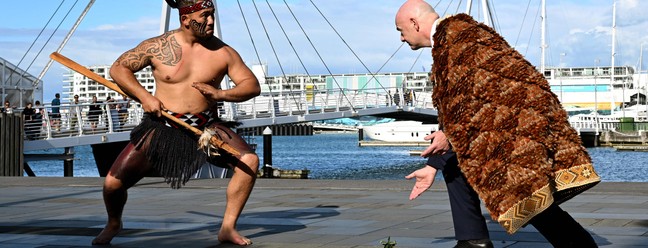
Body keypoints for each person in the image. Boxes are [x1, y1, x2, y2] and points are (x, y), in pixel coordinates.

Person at [396, 1, 600, 247]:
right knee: (459, 165)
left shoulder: (459, 37)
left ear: (414, 23)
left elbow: (470, 98)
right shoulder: (455, 37)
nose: (401, 38)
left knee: (529, 199)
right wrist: (433, 165)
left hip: (516, 130)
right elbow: (461, 99)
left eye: (400, 30)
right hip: (508, 126)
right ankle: (472, 241)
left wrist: (448, 134)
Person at [91, 0, 261, 246]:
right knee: (112, 184)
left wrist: (220, 94)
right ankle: (114, 223)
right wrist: (145, 97)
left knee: (249, 161)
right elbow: (119, 69)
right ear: (185, 18)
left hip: (206, 127)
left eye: (212, 15)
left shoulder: (224, 52)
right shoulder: (158, 46)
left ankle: (227, 227)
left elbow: (251, 86)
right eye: (205, 16)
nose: (211, 21)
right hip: (163, 126)